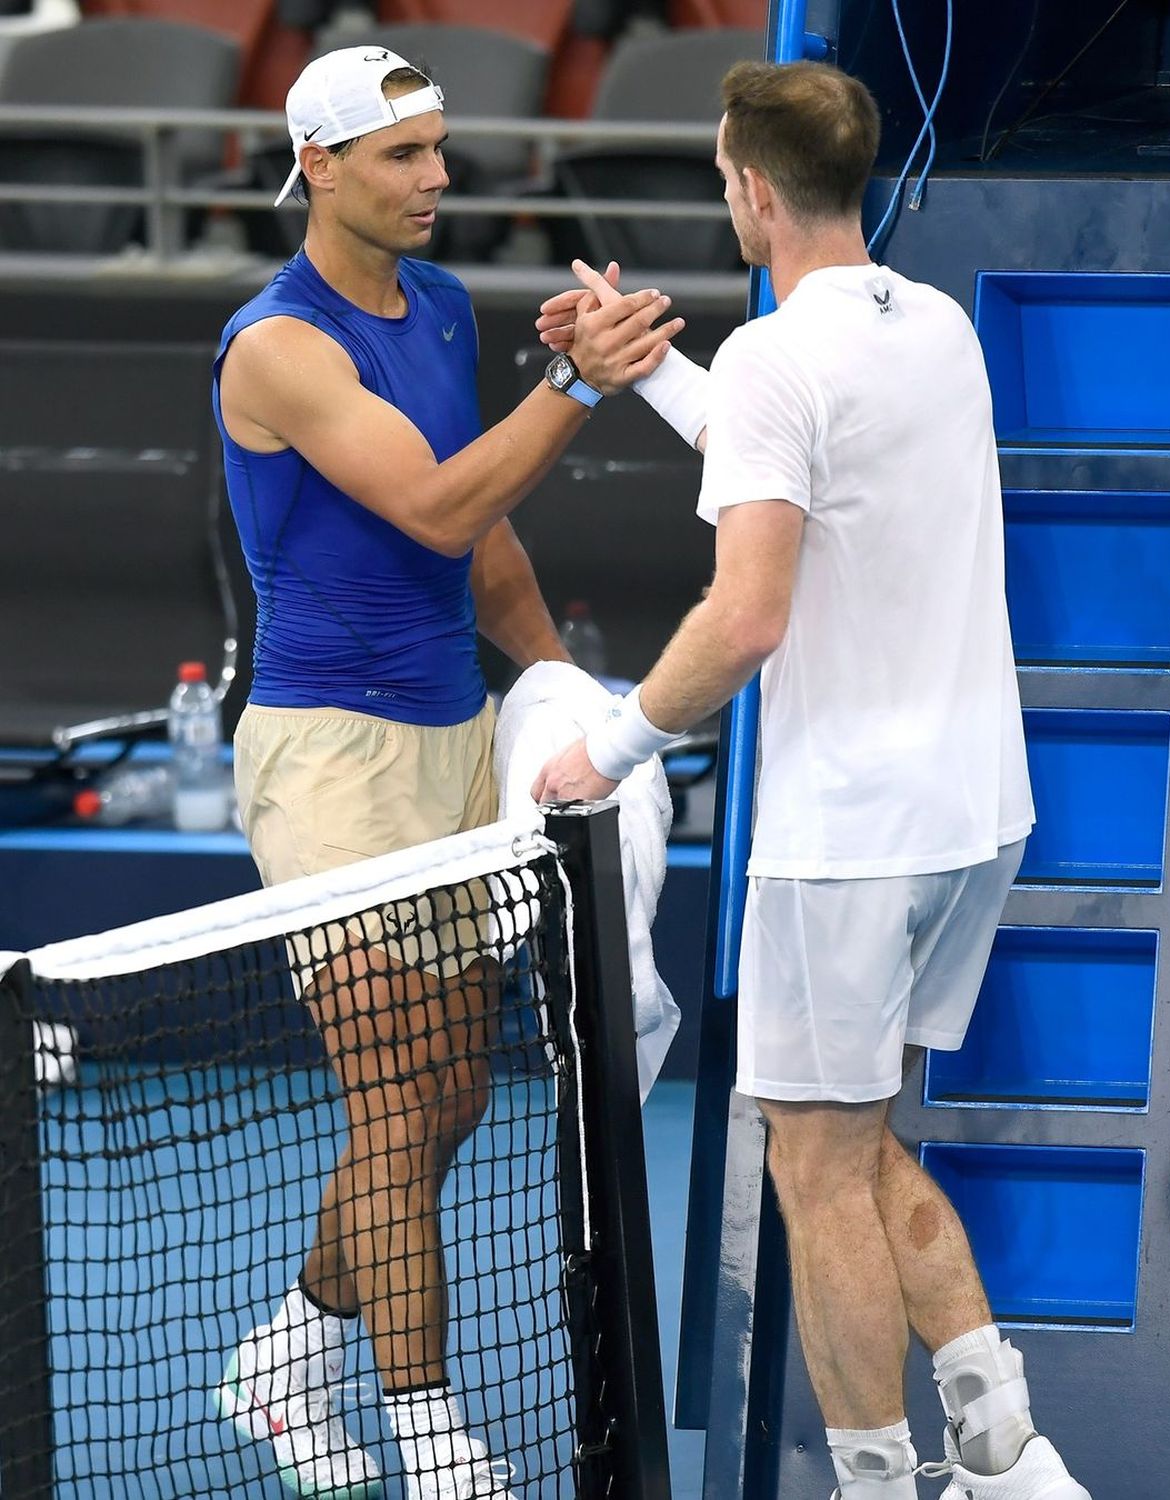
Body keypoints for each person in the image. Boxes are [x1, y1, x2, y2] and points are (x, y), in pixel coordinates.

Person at [534, 60, 1093, 1500]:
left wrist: (607, 748)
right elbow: (794, 450)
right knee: (859, 1137)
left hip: (849, 841)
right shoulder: (935, 326)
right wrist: (650, 370)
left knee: (817, 1169)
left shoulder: (781, 359)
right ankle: (1008, 1458)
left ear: (751, 191)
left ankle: (875, 1483)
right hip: (973, 819)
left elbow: (746, 619)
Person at [209, 44, 683, 1500]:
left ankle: (289, 1351)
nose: (438, 177)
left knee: (456, 1091)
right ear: (322, 165)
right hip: (328, 762)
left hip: (457, 741)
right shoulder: (275, 346)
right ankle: (430, 1438)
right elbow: (430, 503)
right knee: (397, 1105)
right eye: (403, 154)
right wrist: (576, 384)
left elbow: (484, 536)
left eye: (438, 148)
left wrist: (560, 694)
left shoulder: (444, 306)